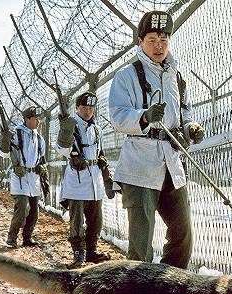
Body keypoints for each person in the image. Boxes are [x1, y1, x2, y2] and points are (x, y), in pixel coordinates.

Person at [108, 10, 205, 269]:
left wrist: (190, 128)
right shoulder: (126, 75)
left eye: (164, 39)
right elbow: (117, 115)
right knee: (141, 243)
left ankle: (171, 286)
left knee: (182, 233)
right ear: (140, 41)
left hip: (171, 163)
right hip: (139, 164)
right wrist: (144, 116)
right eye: (152, 39)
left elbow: (185, 113)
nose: (159, 45)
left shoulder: (177, 77)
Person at [56, 91, 114, 268]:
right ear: (77, 108)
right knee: (77, 223)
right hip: (77, 182)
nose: (88, 111)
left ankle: (91, 251)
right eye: (84, 108)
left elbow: (100, 152)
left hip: (95, 182)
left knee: (96, 222)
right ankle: (78, 254)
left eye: (91, 108)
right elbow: (61, 149)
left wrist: (105, 170)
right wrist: (66, 132)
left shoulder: (97, 129)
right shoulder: (70, 125)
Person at [0, 106, 47, 248]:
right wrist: (5, 140)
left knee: (34, 211)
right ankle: (12, 237)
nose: (38, 122)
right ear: (27, 119)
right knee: (22, 208)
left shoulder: (39, 138)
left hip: (34, 178)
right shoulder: (15, 134)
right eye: (35, 119)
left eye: (39, 119)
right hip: (20, 177)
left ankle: (27, 238)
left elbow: (42, 158)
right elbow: (4, 154)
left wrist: (42, 167)